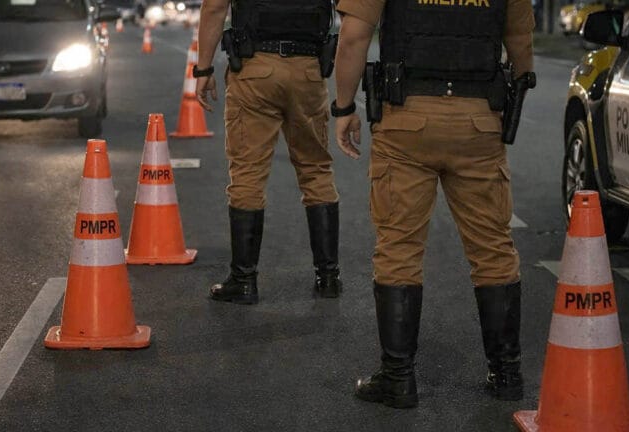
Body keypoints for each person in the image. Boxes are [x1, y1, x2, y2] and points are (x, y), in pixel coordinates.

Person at [333, 0, 535, 409]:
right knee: (493, 250)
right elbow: (520, 43)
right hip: (479, 120)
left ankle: (399, 378)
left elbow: (354, 37)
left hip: (405, 118)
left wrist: (343, 107)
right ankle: (507, 374)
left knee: (399, 249)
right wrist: (508, 101)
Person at [194, 0, 342, 305]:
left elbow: (213, 7)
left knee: (248, 172)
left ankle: (244, 280)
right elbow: (353, 15)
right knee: (316, 170)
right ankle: (328, 278)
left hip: (255, 69)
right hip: (308, 71)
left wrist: (204, 68)